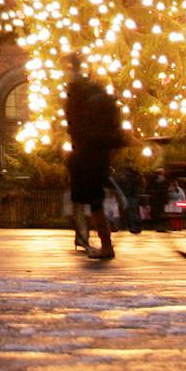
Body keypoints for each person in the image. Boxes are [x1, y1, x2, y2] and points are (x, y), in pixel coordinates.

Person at [64, 54, 121, 260]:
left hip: (88, 156)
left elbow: (77, 128)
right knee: (92, 201)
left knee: (91, 201)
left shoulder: (82, 102)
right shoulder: (101, 99)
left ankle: (103, 245)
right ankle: (95, 239)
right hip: (99, 154)